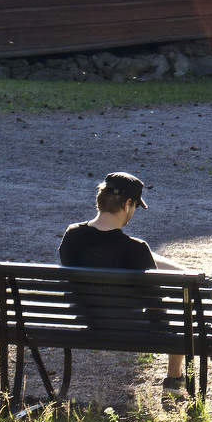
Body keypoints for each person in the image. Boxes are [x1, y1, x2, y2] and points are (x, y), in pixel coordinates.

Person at [59, 171, 190, 401]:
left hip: (82, 321)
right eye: (135, 206)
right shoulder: (135, 248)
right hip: (127, 329)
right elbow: (155, 305)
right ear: (128, 203)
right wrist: (164, 326)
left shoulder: (72, 235)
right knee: (181, 327)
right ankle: (173, 381)